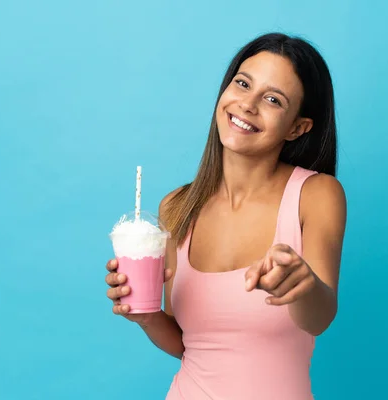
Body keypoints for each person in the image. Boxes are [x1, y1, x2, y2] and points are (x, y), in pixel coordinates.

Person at [105, 32, 347, 399]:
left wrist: (303, 285)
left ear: (298, 127)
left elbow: (319, 318)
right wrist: (146, 316)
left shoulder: (315, 195)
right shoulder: (177, 207)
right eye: (242, 83)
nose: (247, 105)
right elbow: (188, 344)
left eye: (272, 99)